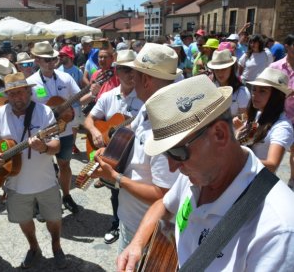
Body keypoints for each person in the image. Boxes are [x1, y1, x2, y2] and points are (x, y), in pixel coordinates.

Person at [117, 74, 294, 272]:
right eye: (166, 153)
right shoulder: (197, 174)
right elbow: (163, 204)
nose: (172, 167)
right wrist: (137, 244)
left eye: (177, 152)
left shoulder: (277, 230)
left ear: (220, 135)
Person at [92, 43, 181, 254]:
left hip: (148, 229)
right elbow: (129, 133)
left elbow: (164, 195)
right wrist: (110, 149)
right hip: (133, 220)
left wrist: (115, 177)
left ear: (146, 80)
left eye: (136, 73)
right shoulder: (147, 109)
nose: (131, 77)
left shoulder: (164, 131)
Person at [0, 72, 67, 269]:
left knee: (54, 219)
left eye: (21, 92)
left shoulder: (44, 112)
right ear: (8, 95)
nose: (18, 97)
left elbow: (56, 145)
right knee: (24, 220)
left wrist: (44, 147)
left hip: (45, 182)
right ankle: (34, 247)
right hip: (15, 184)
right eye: (13, 93)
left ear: (29, 91)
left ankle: (56, 246)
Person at [84, 49, 144, 245]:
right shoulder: (109, 96)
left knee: (137, 194)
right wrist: (94, 132)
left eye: (134, 70)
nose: (131, 74)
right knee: (115, 192)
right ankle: (116, 224)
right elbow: (89, 119)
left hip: (137, 156)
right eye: (125, 70)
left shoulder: (145, 98)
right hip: (115, 156)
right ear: (117, 71)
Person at [27, 41, 88, 213]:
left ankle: (67, 195)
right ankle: (40, 202)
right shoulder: (30, 83)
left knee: (65, 165)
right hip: (42, 132)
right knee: (41, 168)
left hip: (65, 131)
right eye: (46, 60)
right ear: (37, 60)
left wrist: (92, 94)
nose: (50, 63)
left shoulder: (66, 78)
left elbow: (79, 98)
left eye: (53, 59)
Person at [233, 68, 293, 172]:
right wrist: (238, 132)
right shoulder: (258, 114)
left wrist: (236, 158)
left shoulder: (282, 126)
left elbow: (272, 164)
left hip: (258, 182)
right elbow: (249, 140)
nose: (255, 94)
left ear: (276, 96)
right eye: (254, 89)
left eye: (262, 91)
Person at [269, 34, 294, 187]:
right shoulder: (275, 67)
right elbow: (266, 90)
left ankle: (292, 181)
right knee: (274, 153)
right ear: (287, 46)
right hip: (278, 117)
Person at [207, 49, 250, 117]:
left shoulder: (241, 92)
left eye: (224, 69)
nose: (220, 73)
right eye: (217, 70)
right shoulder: (211, 88)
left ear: (231, 69)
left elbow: (243, 121)